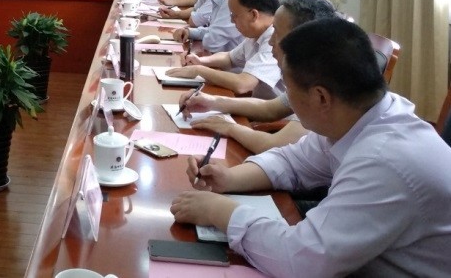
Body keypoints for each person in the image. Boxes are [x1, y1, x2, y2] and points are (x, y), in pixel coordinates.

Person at [170, 18, 451, 277]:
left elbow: (302, 262)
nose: (287, 99)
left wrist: (220, 212)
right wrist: (230, 177)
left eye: (288, 89)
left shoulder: (384, 160)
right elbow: (294, 161)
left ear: (320, 97)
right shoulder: (360, 115)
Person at [179, 0, 337, 153]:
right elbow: (269, 108)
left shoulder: (321, 85)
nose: (271, 41)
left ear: (303, 42)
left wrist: (230, 128)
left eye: (277, 33)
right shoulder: (307, 73)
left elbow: (272, 144)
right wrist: (211, 102)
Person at [166, 0, 280, 97]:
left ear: (254, 15)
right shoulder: (256, 34)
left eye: (234, 15)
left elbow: (243, 84)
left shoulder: (274, 38)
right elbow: (229, 58)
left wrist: (199, 70)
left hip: (268, 107)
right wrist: (201, 61)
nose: (231, 20)